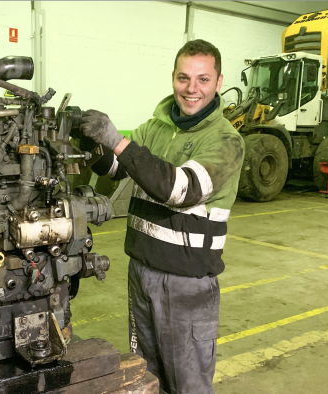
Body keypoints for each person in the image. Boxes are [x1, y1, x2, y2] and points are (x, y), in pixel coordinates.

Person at [77, 40, 244, 394]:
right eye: (184, 78)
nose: (192, 89)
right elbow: (118, 168)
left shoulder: (225, 141)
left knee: (188, 382)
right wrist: (89, 142)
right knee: (145, 374)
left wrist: (116, 139)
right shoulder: (157, 127)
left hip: (186, 282)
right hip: (142, 271)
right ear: (173, 78)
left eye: (203, 79)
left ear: (218, 81)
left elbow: (180, 190)